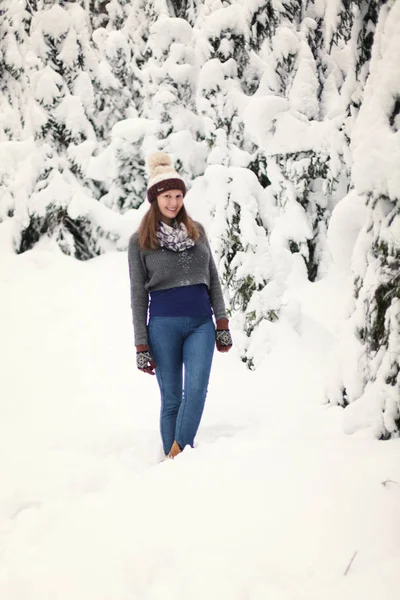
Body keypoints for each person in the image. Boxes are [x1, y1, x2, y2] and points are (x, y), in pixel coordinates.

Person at [128, 152, 233, 459]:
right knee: (172, 398)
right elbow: (137, 296)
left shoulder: (196, 231)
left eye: (177, 195)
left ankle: (176, 457)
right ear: (155, 199)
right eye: (166, 196)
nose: (173, 202)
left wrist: (222, 322)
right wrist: (141, 344)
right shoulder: (140, 241)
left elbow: (212, 278)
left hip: (201, 323)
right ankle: (176, 463)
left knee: (197, 391)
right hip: (163, 327)